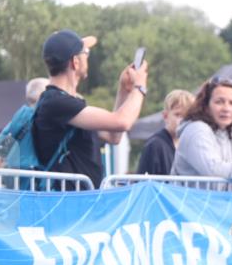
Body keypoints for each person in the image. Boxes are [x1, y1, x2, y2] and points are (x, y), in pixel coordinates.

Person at [33, 29, 148, 188]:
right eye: (86, 53)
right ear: (75, 62)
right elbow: (123, 122)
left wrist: (124, 89)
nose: (88, 57)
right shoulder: (56, 103)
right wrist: (140, 86)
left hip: (82, 197)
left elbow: (113, 136)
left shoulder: (66, 104)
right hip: (69, 200)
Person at [171, 77, 232, 191]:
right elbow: (214, 169)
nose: (226, 108)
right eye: (219, 102)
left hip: (216, 201)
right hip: (189, 201)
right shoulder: (196, 129)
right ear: (206, 105)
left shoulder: (230, 133)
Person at [136, 89, 192, 175]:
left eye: (187, 116)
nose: (182, 120)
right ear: (165, 116)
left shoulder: (189, 145)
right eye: (178, 115)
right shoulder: (155, 146)